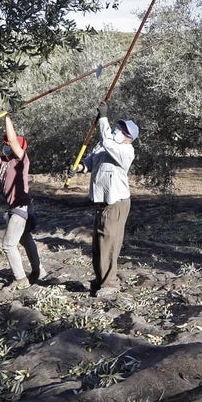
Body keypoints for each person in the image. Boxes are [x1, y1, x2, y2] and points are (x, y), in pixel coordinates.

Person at [73, 101, 138, 299]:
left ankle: (110, 284)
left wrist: (102, 118)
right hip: (101, 202)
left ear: (130, 138)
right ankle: (100, 280)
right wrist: (80, 167)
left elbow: (107, 141)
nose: (118, 130)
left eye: (122, 130)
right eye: (119, 127)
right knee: (98, 243)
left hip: (116, 203)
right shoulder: (104, 145)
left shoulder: (125, 151)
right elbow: (91, 161)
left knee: (110, 242)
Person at [0, 114, 45, 289]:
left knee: (8, 245)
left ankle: (21, 280)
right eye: (5, 144)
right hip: (17, 208)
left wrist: (6, 116)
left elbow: (14, 140)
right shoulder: (4, 162)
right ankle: (39, 271)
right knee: (25, 239)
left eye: (8, 144)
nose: (5, 146)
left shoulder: (22, 160)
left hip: (21, 208)